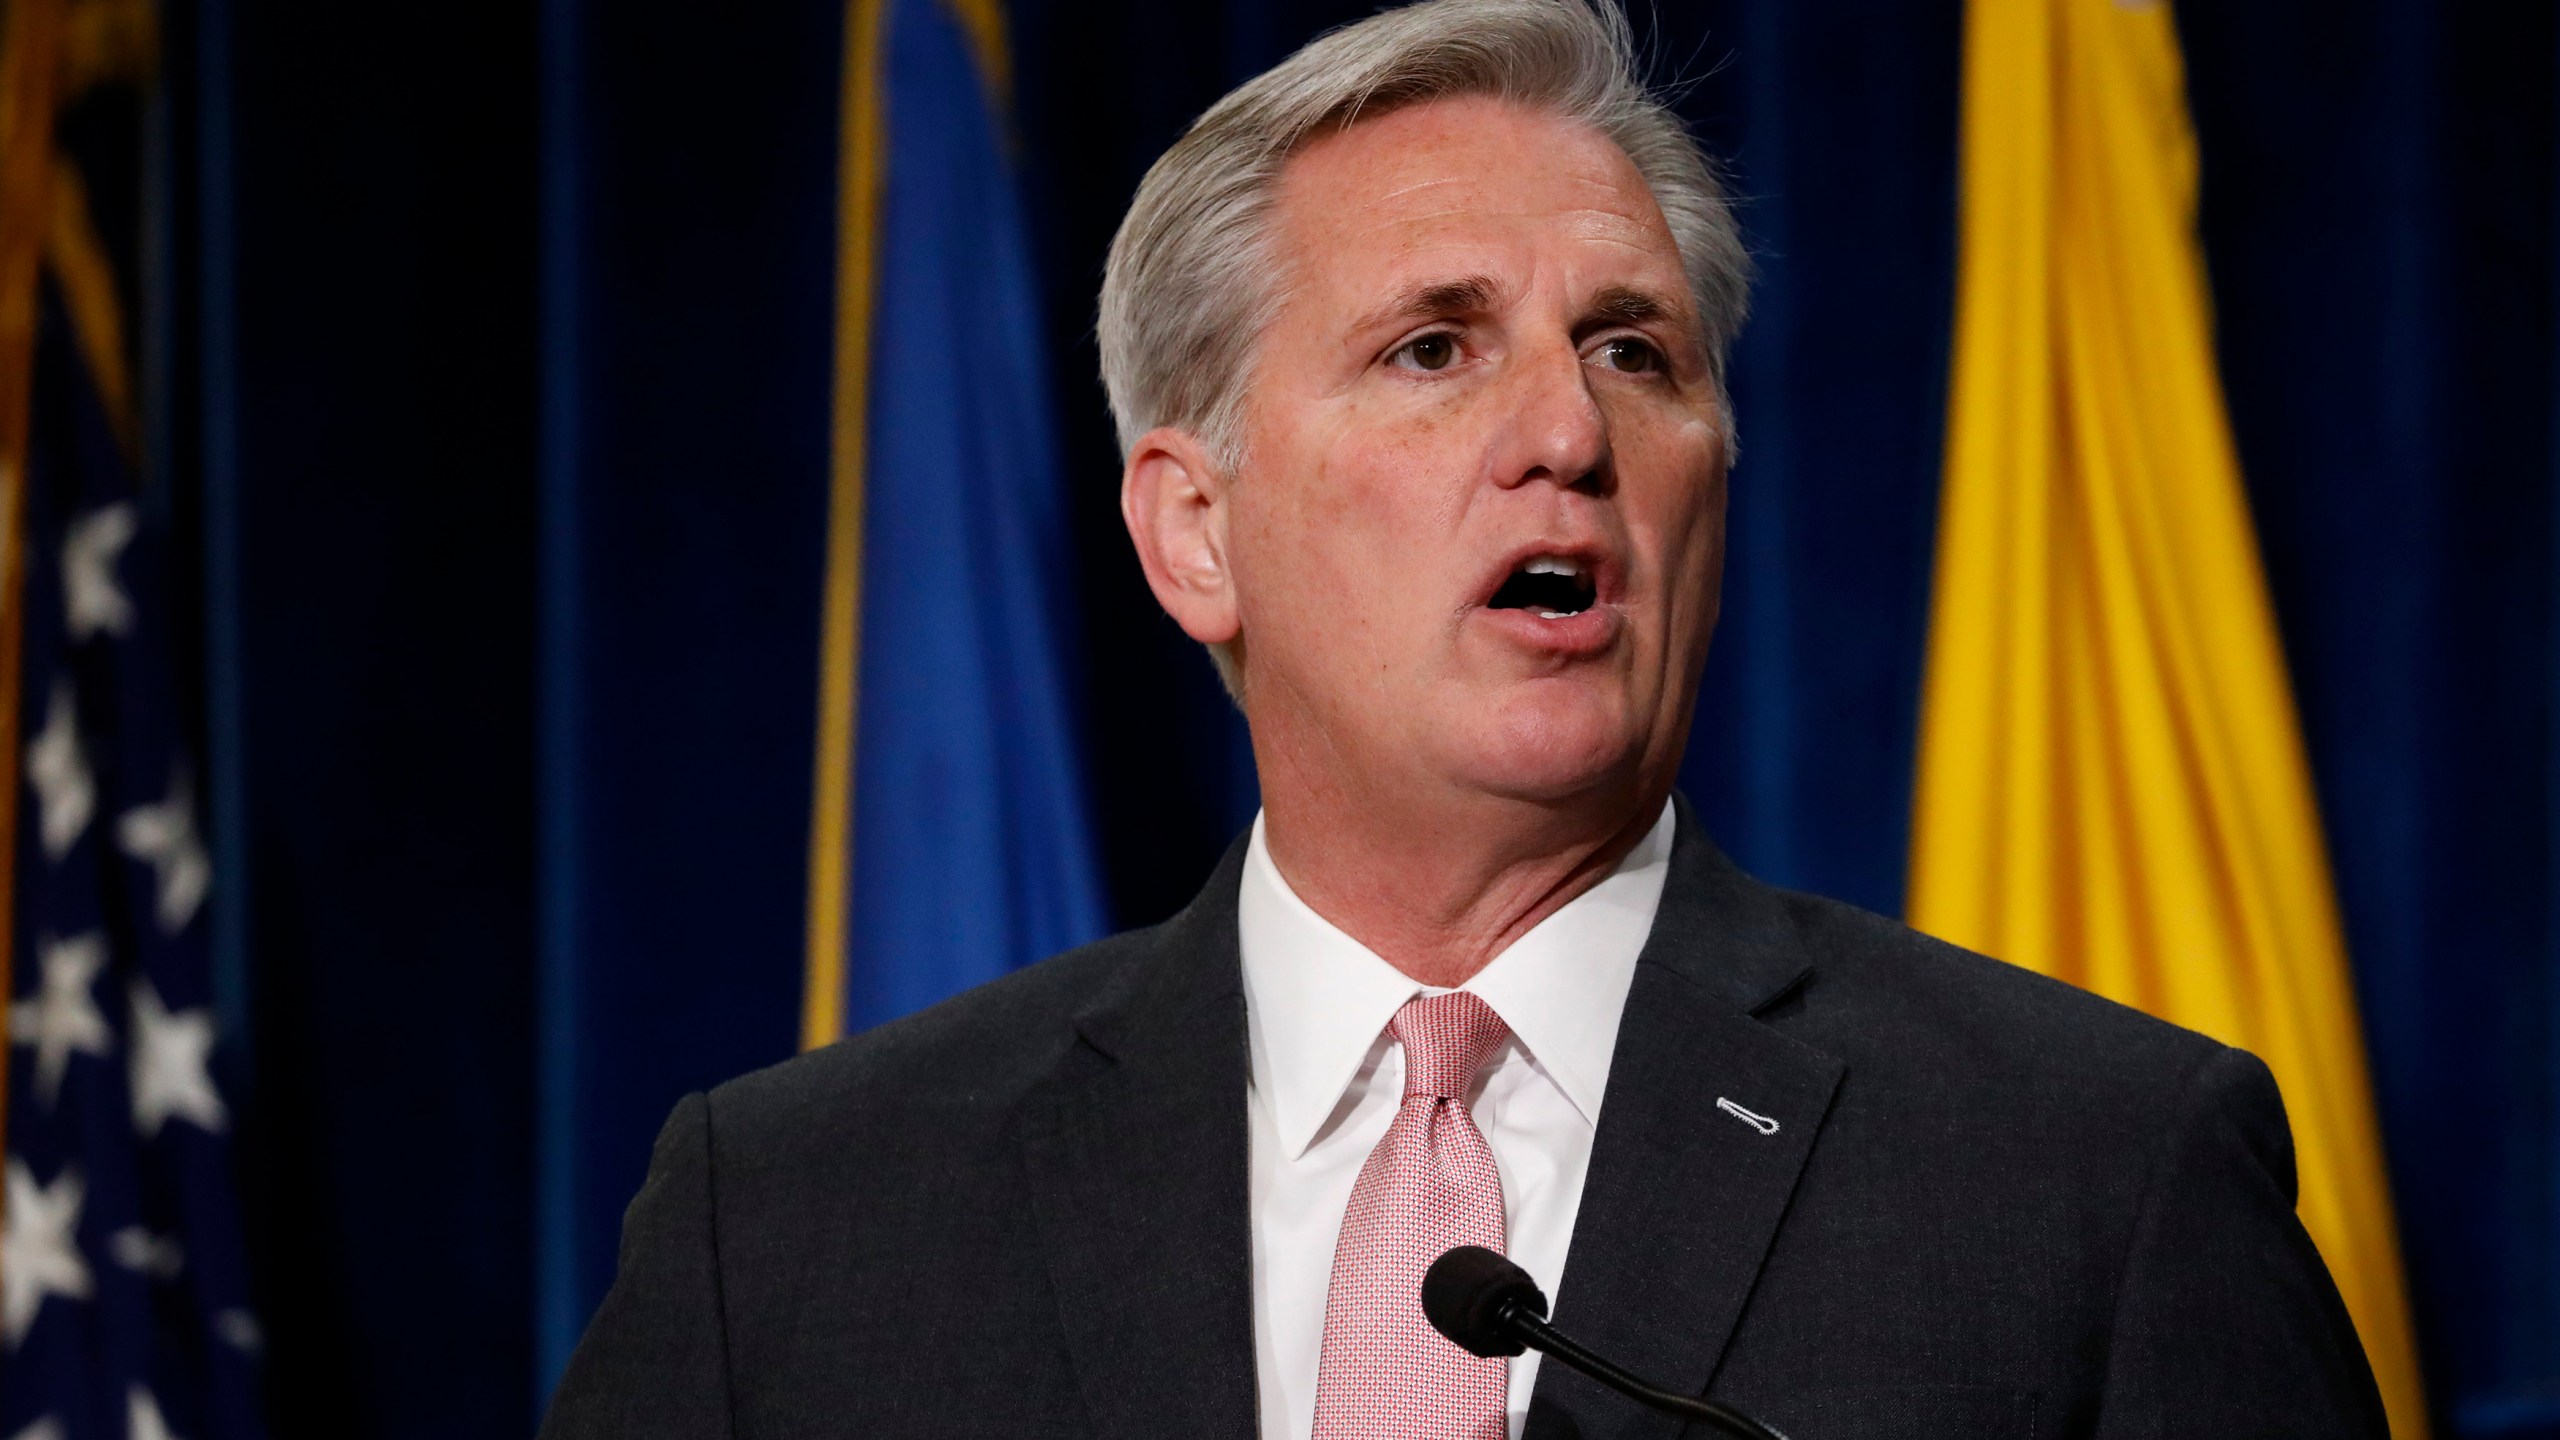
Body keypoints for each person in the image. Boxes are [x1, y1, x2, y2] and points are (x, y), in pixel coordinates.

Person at [539, 1, 2388, 1436]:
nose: (1569, 437)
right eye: (1435, 347)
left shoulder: (2096, 1184)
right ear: (1197, 531)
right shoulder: (789, 1230)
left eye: (1633, 351)